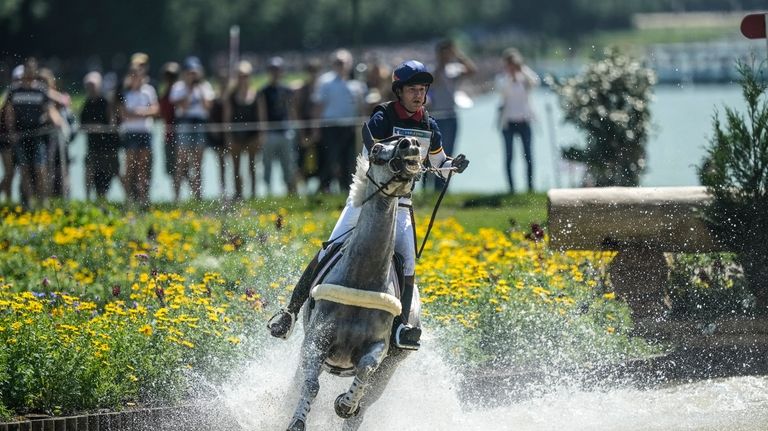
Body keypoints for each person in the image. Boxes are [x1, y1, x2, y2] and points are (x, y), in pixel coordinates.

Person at [267, 60, 470, 350]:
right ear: (399, 91)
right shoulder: (383, 115)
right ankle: (290, 312)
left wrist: (453, 165)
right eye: (413, 89)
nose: (418, 95)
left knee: (409, 261)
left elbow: (438, 162)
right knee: (329, 247)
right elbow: (372, 144)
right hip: (367, 197)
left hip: (400, 204)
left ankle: (402, 329)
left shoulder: (429, 125)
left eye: (422, 89)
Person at [4, 58, 61, 208]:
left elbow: (49, 109)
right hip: (20, 136)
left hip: (37, 135)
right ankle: (29, 204)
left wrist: (57, 121)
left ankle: (43, 203)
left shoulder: (40, 89)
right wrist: (11, 132)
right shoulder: (14, 90)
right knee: (24, 171)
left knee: (40, 169)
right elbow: (9, 114)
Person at [312, 48, 367, 194]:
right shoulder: (325, 82)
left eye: (343, 62)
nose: (341, 65)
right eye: (338, 62)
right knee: (330, 159)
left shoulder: (357, 84)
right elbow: (318, 106)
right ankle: (325, 189)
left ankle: (346, 190)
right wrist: (316, 128)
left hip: (349, 127)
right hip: (330, 126)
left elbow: (361, 109)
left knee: (348, 160)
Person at [426, 39, 477, 191]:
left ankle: (441, 188)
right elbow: (433, 80)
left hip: (450, 115)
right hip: (435, 117)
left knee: (448, 153)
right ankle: (427, 186)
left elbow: (472, 70)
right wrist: (442, 62)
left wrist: (458, 55)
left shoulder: (454, 69)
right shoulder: (431, 70)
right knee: (431, 153)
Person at [170, 56, 215, 201]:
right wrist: (189, 89)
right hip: (184, 123)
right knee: (181, 162)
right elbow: (183, 106)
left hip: (200, 124)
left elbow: (207, 106)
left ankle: (198, 197)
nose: (192, 75)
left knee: (198, 163)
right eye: (190, 72)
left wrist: (199, 89)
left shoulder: (205, 87)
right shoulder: (178, 88)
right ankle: (176, 197)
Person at [496, 48, 540, 193]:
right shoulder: (502, 78)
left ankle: (530, 187)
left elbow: (536, 82)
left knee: (528, 156)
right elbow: (503, 91)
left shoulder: (525, 77)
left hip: (524, 121)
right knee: (509, 157)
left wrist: (522, 69)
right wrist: (511, 76)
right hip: (508, 123)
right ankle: (511, 189)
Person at [118, 66, 159, 207]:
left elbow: (155, 110)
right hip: (130, 133)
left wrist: (137, 113)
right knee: (129, 167)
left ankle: (143, 199)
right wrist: (142, 113)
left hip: (145, 132)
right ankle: (128, 199)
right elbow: (123, 114)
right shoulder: (125, 92)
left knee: (143, 167)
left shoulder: (149, 91)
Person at [256, 56, 297, 196]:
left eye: (277, 69)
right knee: (267, 164)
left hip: (285, 131)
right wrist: (263, 132)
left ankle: (290, 193)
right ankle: (267, 193)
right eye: (273, 69)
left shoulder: (286, 89)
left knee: (288, 164)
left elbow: (291, 110)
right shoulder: (264, 91)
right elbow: (262, 113)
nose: (275, 72)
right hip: (270, 132)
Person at [80, 71, 119, 200]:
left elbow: (112, 123)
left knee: (114, 173)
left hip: (108, 147)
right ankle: (88, 200)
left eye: (93, 85)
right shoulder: (86, 103)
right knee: (90, 172)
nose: (91, 88)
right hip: (93, 147)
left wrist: (98, 127)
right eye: (89, 85)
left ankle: (129, 201)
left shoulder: (106, 102)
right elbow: (82, 124)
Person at [223, 60, 259, 200]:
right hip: (236, 136)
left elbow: (261, 116)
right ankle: (239, 194)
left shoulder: (255, 94)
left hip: (252, 135)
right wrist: (228, 137)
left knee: (252, 166)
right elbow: (227, 118)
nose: (243, 78)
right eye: (240, 75)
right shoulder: (231, 96)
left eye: (245, 75)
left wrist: (261, 135)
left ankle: (254, 194)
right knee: (236, 168)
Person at [294, 58, 321, 191]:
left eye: (315, 71)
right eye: (311, 71)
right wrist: (302, 134)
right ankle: (302, 191)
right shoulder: (301, 89)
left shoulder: (321, 88)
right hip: (305, 131)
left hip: (320, 132)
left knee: (320, 162)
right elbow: (298, 112)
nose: (313, 73)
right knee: (302, 162)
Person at [158, 62, 180, 185]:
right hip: (169, 136)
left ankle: (194, 198)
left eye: (172, 76)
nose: (170, 79)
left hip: (182, 135)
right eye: (167, 77)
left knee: (184, 168)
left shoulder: (180, 92)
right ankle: (176, 199)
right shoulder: (164, 95)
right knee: (172, 170)